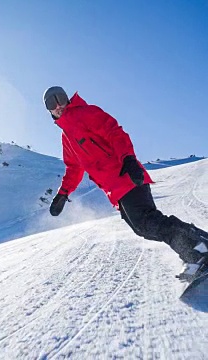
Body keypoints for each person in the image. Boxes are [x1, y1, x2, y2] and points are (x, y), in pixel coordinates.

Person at [43, 86, 208, 280]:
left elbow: (115, 133)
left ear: (67, 99)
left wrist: (128, 159)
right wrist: (63, 193)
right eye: (51, 103)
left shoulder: (86, 113)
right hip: (115, 189)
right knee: (143, 228)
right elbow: (73, 168)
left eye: (60, 98)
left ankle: (198, 253)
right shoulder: (66, 138)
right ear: (49, 110)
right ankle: (197, 249)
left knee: (147, 222)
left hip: (126, 175)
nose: (58, 105)